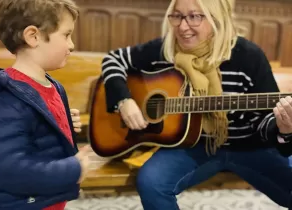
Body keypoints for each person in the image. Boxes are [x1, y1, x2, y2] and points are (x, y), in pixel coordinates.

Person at [100, 0, 292, 209]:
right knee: (151, 182)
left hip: (250, 147)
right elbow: (113, 59)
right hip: (192, 146)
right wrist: (124, 100)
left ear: (216, 19)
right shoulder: (165, 50)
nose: (183, 27)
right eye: (177, 16)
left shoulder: (249, 56)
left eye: (194, 16)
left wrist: (283, 129)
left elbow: (267, 118)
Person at [0, 0, 91, 209]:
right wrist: (74, 169)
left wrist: (59, 123)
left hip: (48, 200)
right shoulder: (1, 97)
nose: (72, 44)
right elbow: (7, 171)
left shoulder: (53, 86)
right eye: (66, 35)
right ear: (33, 36)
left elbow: (35, 129)